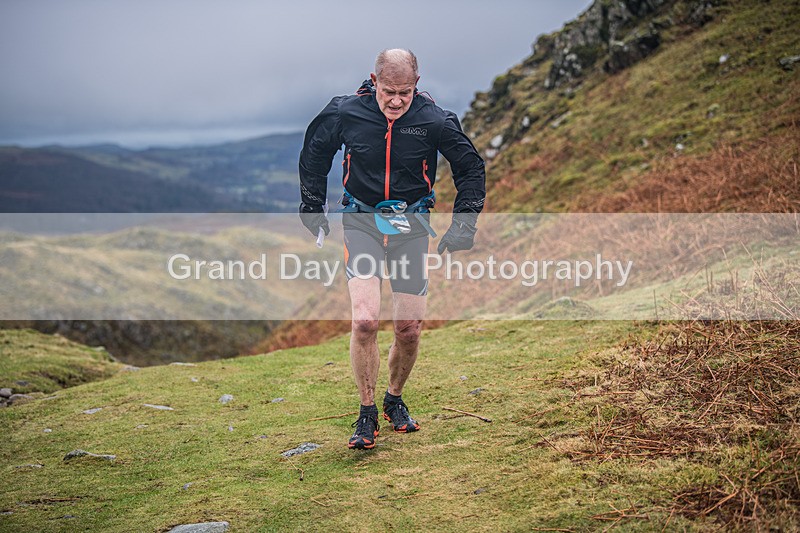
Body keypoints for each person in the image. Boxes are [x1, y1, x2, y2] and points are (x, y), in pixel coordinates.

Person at [298, 49, 485, 449]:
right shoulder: (346, 112)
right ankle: (366, 413)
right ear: (373, 81)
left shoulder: (435, 120)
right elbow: (315, 153)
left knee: (409, 330)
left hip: (410, 226)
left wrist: (464, 224)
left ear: (416, 85)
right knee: (364, 320)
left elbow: (470, 168)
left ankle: (393, 399)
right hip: (362, 220)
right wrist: (312, 206)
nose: (397, 100)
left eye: (405, 92)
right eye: (388, 91)